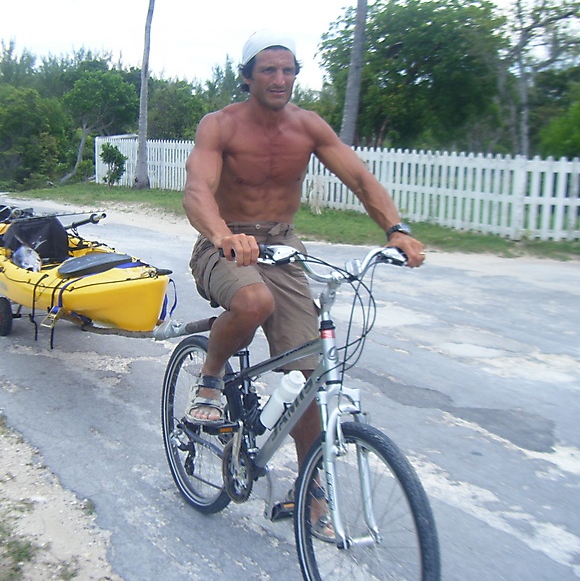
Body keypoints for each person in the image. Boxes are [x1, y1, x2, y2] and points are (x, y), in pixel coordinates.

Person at [182, 29, 425, 474]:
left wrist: (396, 229)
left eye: (288, 70)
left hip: (282, 244)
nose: (280, 79)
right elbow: (197, 189)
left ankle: (311, 492)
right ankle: (210, 380)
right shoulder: (220, 125)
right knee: (254, 300)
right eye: (268, 70)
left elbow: (361, 180)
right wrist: (221, 235)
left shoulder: (308, 125)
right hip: (225, 241)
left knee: (306, 374)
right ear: (247, 77)